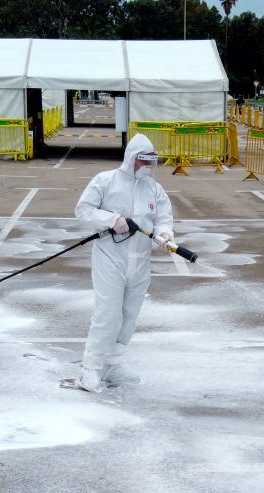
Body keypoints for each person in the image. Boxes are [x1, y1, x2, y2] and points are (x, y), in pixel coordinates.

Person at [74, 133, 175, 393]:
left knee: (129, 315)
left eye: (150, 162)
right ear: (131, 158)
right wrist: (112, 220)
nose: (146, 166)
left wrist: (165, 234)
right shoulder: (106, 181)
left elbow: (163, 218)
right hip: (110, 257)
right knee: (108, 313)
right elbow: (83, 210)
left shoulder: (154, 188)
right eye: (142, 161)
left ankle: (113, 363)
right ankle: (91, 368)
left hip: (140, 262)